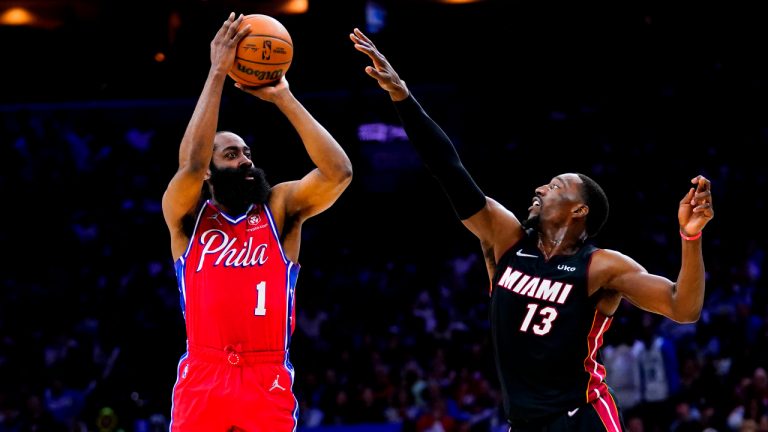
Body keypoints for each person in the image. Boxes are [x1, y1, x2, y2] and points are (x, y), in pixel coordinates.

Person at [350, 28, 714, 432]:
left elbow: (684, 308)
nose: (540, 188)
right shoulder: (507, 239)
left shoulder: (600, 267)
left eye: (555, 186)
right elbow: (448, 170)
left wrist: (691, 236)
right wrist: (402, 95)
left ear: (579, 210)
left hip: (583, 417)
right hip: (524, 422)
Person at [161, 13, 353, 431]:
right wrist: (217, 72)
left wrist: (284, 98)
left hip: (265, 376)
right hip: (204, 373)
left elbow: (339, 172)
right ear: (210, 170)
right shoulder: (188, 216)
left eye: (247, 152)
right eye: (231, 154)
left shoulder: (279, 208)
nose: (245, 160)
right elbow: (190, 164)